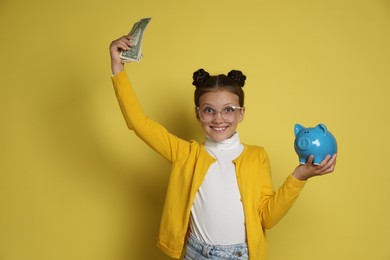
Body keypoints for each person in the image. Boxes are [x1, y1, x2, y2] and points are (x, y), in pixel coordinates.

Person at [109, 35, 337, 260]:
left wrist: (299, 177)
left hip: (239, 255)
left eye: (228, 109)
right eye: (209, 110)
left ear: (241, 113)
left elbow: (267, 218)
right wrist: (118, 66)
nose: (218, 118)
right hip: (194, 252)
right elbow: (138, 123)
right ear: (197, 114)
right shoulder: (185, 153)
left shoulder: (257, 156)